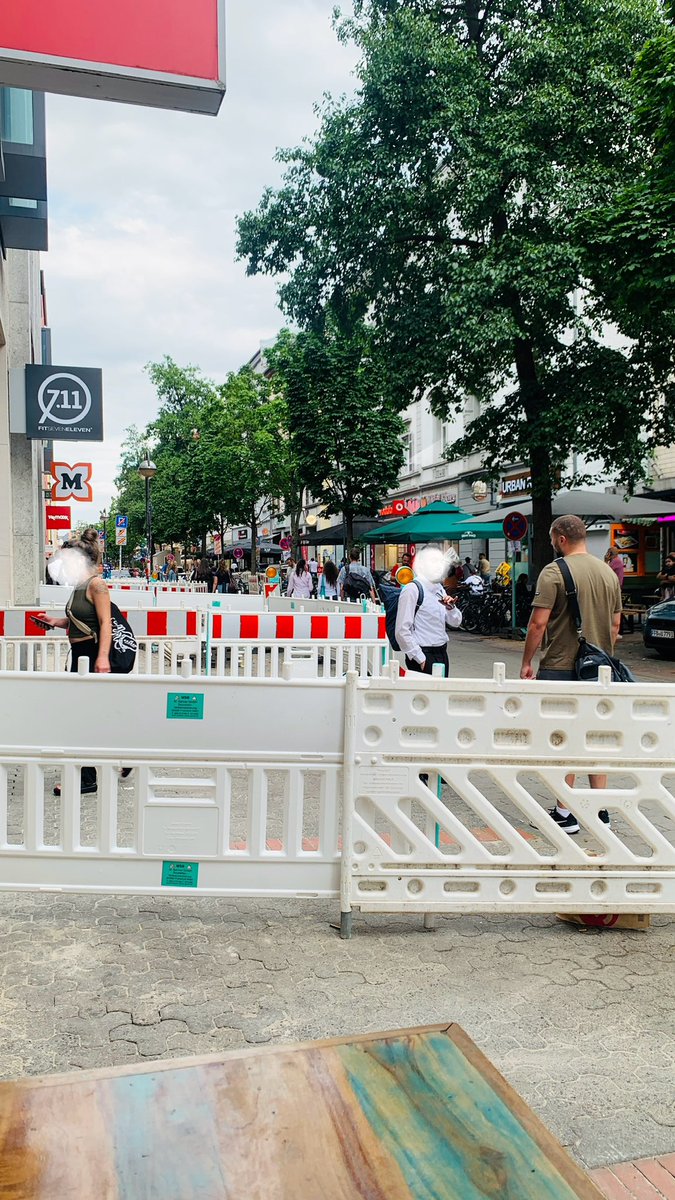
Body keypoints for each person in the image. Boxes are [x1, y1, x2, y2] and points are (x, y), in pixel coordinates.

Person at [520, 514, 622, 834]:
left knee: (563, 739)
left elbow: (538, 624)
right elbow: (616, 626)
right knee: (595, 738)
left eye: (552, 540)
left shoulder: (555, 572)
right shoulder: (607, 572)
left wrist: (527, 662)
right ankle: (599, 809)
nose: (552, 545)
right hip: (601, 669)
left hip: (561, 667)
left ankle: (566, 812)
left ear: (561, 539)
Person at [38, 529, 115, 796]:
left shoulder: (97, 585)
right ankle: (117, 761)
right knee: (86, 715)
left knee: (84, 716)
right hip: (82, 655)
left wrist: (103, 657)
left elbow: (106, 623)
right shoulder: (80, 586)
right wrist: (55, 622)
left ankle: (86, 778)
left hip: (92, 655)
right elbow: (81, 623)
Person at [395, 546, 463, 676]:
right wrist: (420, 658)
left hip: (442, 651)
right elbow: (401, 630)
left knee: (441, 694)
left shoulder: (439, 589)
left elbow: (456, 622)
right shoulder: (412, 590)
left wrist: (451, 608)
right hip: (423, 653)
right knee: (424, 695)